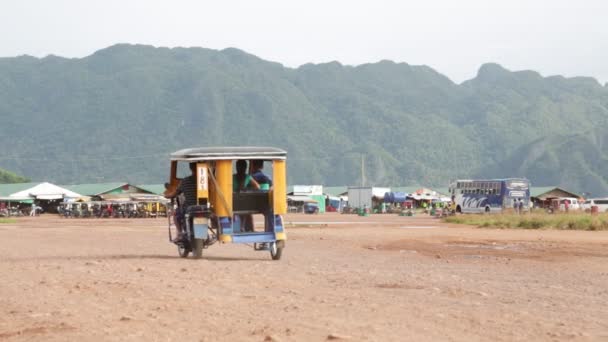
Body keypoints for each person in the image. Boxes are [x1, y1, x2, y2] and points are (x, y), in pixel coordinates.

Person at [165, 163, 198, 241]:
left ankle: (180, 233)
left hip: (189, 207)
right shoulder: (207, 180)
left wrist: (167, 196)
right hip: (204, 207)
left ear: (191, 168)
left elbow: (175, 193)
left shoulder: (185, 181)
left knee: (176, 214)